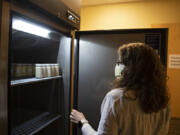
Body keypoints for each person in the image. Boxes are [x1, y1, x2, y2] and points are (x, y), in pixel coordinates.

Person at [70, 42, 170, 135]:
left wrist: (82, 122)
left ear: (129, 68)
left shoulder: (116, 98)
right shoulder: (163, 101)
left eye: (119, 62)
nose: (117, 66)